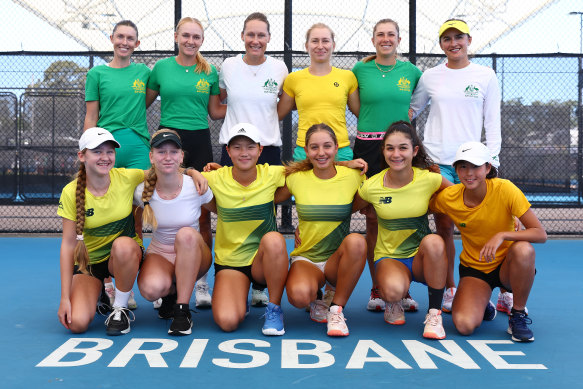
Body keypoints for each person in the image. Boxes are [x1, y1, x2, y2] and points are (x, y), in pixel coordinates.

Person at [409, 19, 502, 313]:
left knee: (483, 226)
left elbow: (492, 122)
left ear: (469, 40)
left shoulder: (486, 76)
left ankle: (497, 286)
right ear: (441, 45)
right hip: (436, 164)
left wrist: (492, 160)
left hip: (472, 165)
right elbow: (411, 109)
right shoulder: (430, 77)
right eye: (447, 39)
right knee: (445, 228)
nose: (453, 43)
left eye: (458, 37)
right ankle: (449, 289)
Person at [430, 142, 546, 342]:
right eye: (463, 167)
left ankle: (517, 315)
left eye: (475, 166)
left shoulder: (505, 189)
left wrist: (503, 235)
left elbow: (540, 234)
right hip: (475, 270)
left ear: (487, 168)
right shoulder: (449, 197)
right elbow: (419, 205)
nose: (469, 173)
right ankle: (483, 303)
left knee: (524, 250)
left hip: (507, 267)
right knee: (464, 326)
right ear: (456, 170)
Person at [146, 17, 225, 309]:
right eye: (186, 36)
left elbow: (216, 111)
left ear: (202, 41)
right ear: (176, 36)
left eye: (197, 37)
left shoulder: (210, 71)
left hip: (200, 140)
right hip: (169, 139)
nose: (191, 41)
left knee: (202, 214)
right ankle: (165, 272)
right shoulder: (161, 69)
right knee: (161, 208)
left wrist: (254, 101)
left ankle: (200, 282)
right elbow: (141, 102)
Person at [353, 121, 450, 339]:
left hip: (422, 259)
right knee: (392, 291)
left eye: (403, 148)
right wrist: (306, 224)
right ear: (383, 151)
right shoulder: (371, 186)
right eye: (390, 148)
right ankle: (394, 300)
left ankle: (434, 314)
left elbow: (465, 198)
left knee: (435, 242)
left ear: (414, 151)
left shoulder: (430, 179)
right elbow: (343, 211)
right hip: (391, 257)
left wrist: (509, 217)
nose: (396, 154)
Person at [351, 18, 422, 313]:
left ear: (398, 39)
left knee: (409, 218)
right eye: (380, 34)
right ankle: (377, 287)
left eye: (391, 34)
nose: (385, 39)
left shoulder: (413, 72)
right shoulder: (359, 70)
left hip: (400, 149)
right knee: (372, 219)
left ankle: (402, 285)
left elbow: (417, 103)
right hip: (368, 148)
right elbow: (356, 106)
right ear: (373, 40)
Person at [218, 12, 289, 307]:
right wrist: (240, 131)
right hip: (233, 149)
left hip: (268, 150)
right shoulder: (229, 66)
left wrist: (264, 130)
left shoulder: (280, 68)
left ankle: (260, 281)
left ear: (269, 38)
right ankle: (231, 270)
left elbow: (282, 105)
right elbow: (219, 103)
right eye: (251, 35)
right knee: (230, 210)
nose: (256, 40)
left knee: (265, 212)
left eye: (261, 35)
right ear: (243, 37)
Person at [276, 123, 367, 337]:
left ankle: (336, 308)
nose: (321, 152)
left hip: (337, 259)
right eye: (314, 147)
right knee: (298, 297)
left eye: (327, 146)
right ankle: (317, 295)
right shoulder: (296, 178)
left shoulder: (353, 176)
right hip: (308, 257)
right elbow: (263, 193)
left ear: (336, 147)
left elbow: (374, 200)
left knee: (356, 242)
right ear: (306, 151)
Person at [84, 20, 150, 310]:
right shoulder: (96, 74)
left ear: (137, 43)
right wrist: (88, 148)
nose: (124, 41)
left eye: (130, 38)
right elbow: (91, 116)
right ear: (112, 39)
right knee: (104, 210)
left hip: (137, 148)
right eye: (120, 36)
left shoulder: (145, 73)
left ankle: (128, 283)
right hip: (106, 148)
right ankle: (105, 282)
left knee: (137, 213)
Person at [202, 123, 289, 335]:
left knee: (275, 239)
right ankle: (240, 298)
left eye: (250, 147)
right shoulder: (214, 178)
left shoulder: (273, 173)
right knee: (227, 321)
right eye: (237, 147)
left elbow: (314, 168)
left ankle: (274, 308)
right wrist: (192, 172)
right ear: (228, 151)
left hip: (262, 262)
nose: (244, 153)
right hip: (231, 263)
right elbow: (177, 178)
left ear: (260, 150)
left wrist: (345, 163)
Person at [57, 128, 144, 336]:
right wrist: (65, 298)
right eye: (97, 151)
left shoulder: (127, 177)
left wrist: (195, 173)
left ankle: (120, 308)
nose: (105, 157)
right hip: (90, 265)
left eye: (110, 151)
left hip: (122, 256)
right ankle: (99, 294)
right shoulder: (71, 191)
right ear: (82, 156)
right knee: (76, 323)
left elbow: (165, 170)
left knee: (123, 245)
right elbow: (68, 245)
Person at [134, 129, 213, 336]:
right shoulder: (141, 191)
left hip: (193, 252)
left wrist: (193, 172)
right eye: (161, 152)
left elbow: (214, 220)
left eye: (173, 151)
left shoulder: (196, 186)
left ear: (181, 156)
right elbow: (135, 226)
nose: (167, 157)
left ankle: (182, 311)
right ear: (151, 156)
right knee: (151, 289)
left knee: (185, 234)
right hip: (161, 253)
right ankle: (171, 292)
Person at [277, 23, 359, 162]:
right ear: (306, 46)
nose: (320, 46)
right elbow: (277, 114)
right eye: (315, 41)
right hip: (306, 151)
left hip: (340, 150)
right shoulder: (293, 79)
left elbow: (361, 113)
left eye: (325, 41)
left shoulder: (348, 77)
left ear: (333, 45)